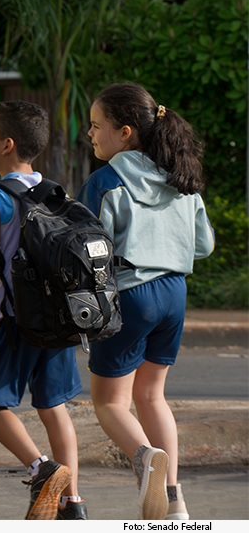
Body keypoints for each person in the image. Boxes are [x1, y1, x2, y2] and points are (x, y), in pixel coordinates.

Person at [76, 83, 215, 520]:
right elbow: (204, 245)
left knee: (111, 403)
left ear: (125, 132)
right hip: (174, 293)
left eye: (97, 126)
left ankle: (145, 457)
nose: (91, 134)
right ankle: (174, 502)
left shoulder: (106, 182)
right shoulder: (181, 179)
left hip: (130, 296)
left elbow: (85, 248)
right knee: (153, 396)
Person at [0, 101, 87, 520]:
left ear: (7, 145)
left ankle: (41, 469)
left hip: (15, 320)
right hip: (59, 320)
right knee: (52, 407)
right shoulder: (56, 190)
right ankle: (72, 503)